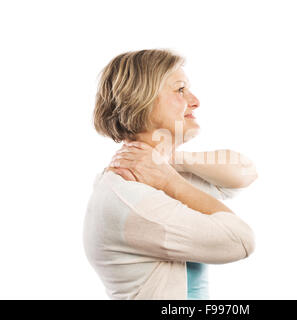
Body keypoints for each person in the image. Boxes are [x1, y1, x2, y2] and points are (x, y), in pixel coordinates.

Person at [83, 49, 258, 300]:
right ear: (140, 100)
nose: (195, 101)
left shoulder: (155, 174)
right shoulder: (128, 195)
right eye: (180, 90)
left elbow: (245, 173)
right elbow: (240, 241)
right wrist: (169, 179)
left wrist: (171, 161)